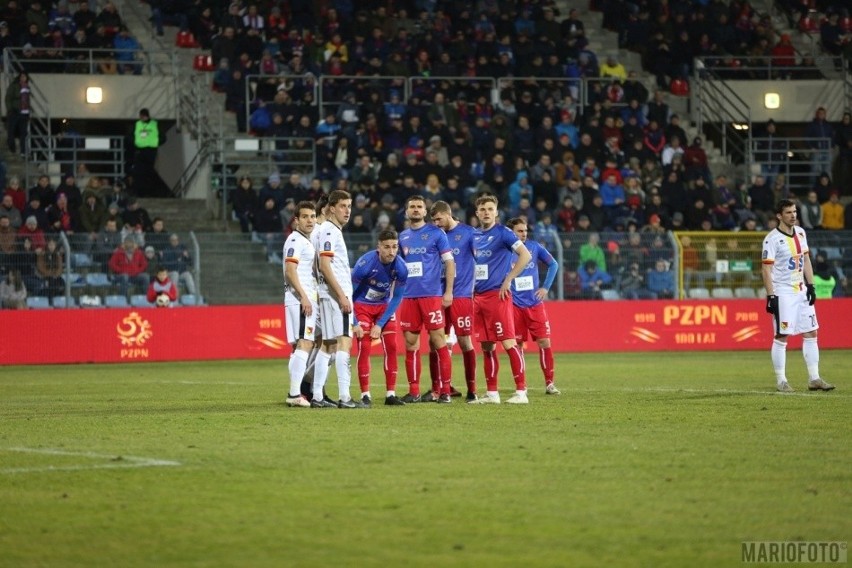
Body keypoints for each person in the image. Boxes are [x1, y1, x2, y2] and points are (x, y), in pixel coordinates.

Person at [762, 199, 834, 393]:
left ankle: (814, 378)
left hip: (801, 289)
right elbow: (766, 270)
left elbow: (806, 259)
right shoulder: (772, 239)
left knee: (811, 332)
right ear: (779, 216)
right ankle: (781, 381)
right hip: (783, 291)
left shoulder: (801, 233)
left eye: (794, 212)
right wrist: (771, 296)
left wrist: (811, 286)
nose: (793, 215)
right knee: (782, 335)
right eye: (788, 212)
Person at [469, 194, 533, 405]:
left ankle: (521, 392)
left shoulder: (504, 233)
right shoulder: (475, 236)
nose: (486, 212)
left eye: (490, 209)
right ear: (477, 213)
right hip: (478, 298)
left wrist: (509, 279)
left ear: (496, 212)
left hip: (498, 296)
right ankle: (492, 393)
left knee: (509, 343)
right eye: (482, 209)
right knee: (487, 346)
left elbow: (526, 256)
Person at [397, 195, 456, 403]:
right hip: (409, 297)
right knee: (411, 343)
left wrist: (448, 291)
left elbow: (449, 263)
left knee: (438, 340)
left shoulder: (437, 233)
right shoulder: (402, 237)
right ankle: (413, 391)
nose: (415, 209)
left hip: (431, 295)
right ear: (406, 212)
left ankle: (446, 391)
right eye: (411, 206)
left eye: (419, 207)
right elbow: (398, 269)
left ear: (425, 212)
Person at [311, 189, 364, 408]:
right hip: (336, 295)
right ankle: (345, 397)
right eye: (343, 206)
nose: (347, 211)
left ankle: (317, 396)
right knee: (344, 343)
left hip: (327, 293)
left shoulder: (322, 230)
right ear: (331, 208)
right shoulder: (331, 231)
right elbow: (324, 266)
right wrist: (341, 295)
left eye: (350, 206)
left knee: (328, 345)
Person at [351, 229, 408, 406]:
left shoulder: (401, 267)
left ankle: (390, 394)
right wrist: (354, 322)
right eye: (387, 247)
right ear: (378, 248)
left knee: (392, 347)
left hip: (384, 306)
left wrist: (381, 323)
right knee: (365, 348)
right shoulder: (365, 264)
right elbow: (348, 295)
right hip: (362, 307)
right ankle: (365, 395)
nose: (392, 251)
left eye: (395, 247)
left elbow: (397, 297)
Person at [506, 217, 561, 395]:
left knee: (544, 341)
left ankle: (549, 383)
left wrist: (545, 287)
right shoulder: (504, 251)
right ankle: (522, 386)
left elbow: (553, 264)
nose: (524, 234)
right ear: (511, 233)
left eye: (525, 230)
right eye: (520, 231)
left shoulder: (534, 247)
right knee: (518, 345)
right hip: (513, 305)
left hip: (535, 304)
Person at [430, 200, 477, 400]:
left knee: (465, 341)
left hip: (461, 296)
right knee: (434, 341)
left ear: (448, 214)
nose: (436, 223)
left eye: (439, 219)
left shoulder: (469, 233)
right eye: (433, 220)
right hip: (436, 296)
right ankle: (439, 389)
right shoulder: (434, 235)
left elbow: (483, 257)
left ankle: (472, 390)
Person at [283, 201, 319, 408]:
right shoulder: (296, 240)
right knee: (305, 343)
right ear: (296, 220)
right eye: (305, 217)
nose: (310, 220)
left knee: (299, 346)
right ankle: (294, 393)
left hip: (298, 298)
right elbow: (290, 271)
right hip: (300, 300)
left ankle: (296, 391)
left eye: (312, 216)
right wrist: (304, 296)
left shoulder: (304, 241)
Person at [5, 72, 31, 158]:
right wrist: (10, 109)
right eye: (22, 76)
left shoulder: (27, 87)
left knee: (23, 133)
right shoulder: (14, 86)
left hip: (24, 112)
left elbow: (27, 99)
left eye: (25, 77)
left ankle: (23, 151)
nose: (23, 78)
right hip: (15, 111)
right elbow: (8, 97)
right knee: (11, 130)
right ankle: (11, 146)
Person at [133, 108, 160, 182]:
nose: (141, 118)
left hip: (151, 149)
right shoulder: (138, 124)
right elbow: (133, 135)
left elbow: (161, 136)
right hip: (141, 149)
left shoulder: (154, 124)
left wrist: (157, 142)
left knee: (149, 169)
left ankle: (149, 185)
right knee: (141, 170)